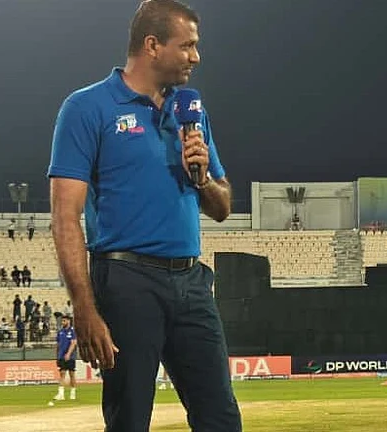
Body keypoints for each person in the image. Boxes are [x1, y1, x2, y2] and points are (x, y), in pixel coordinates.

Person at [47, 1, 241, 431]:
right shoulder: (87, 108)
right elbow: (65, 217)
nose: (196, 56)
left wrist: (203, 177)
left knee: (221, 417)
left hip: (191, 282)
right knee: (130, 419)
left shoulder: (193, 113)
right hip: (126, 281)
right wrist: (84, 307)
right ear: (152, 46)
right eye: (187, 45)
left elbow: (223, 208)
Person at [54, 315, 78, 401]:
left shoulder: (72, 331)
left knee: (72, 375)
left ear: (68, 321)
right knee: (62, 374)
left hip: (70, 357)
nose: (62, 322)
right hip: (61, 356)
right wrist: (57, 356)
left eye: (64, 321)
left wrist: (68, 354)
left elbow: (73, 343)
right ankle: (61, 394)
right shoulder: (60, 332)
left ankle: (73, 393)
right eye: (62, 321)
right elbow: (57, 344)